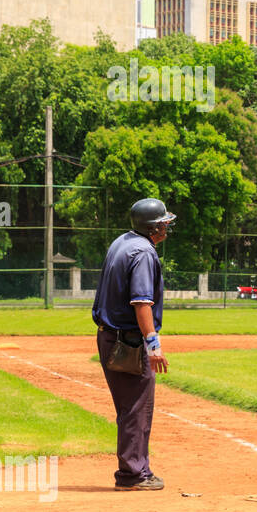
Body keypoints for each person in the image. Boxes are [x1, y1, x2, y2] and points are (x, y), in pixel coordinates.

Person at [92, 198, 174, 491]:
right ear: (154, 228)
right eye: (164, 222)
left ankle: (139, 469)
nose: (167, 226)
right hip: (128, 342)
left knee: (130, 405)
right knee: (136, 406)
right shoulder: (143, 253)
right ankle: (133, 475)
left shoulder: (123, 242)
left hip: (109, 336)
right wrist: (154, 346)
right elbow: (141, 303)